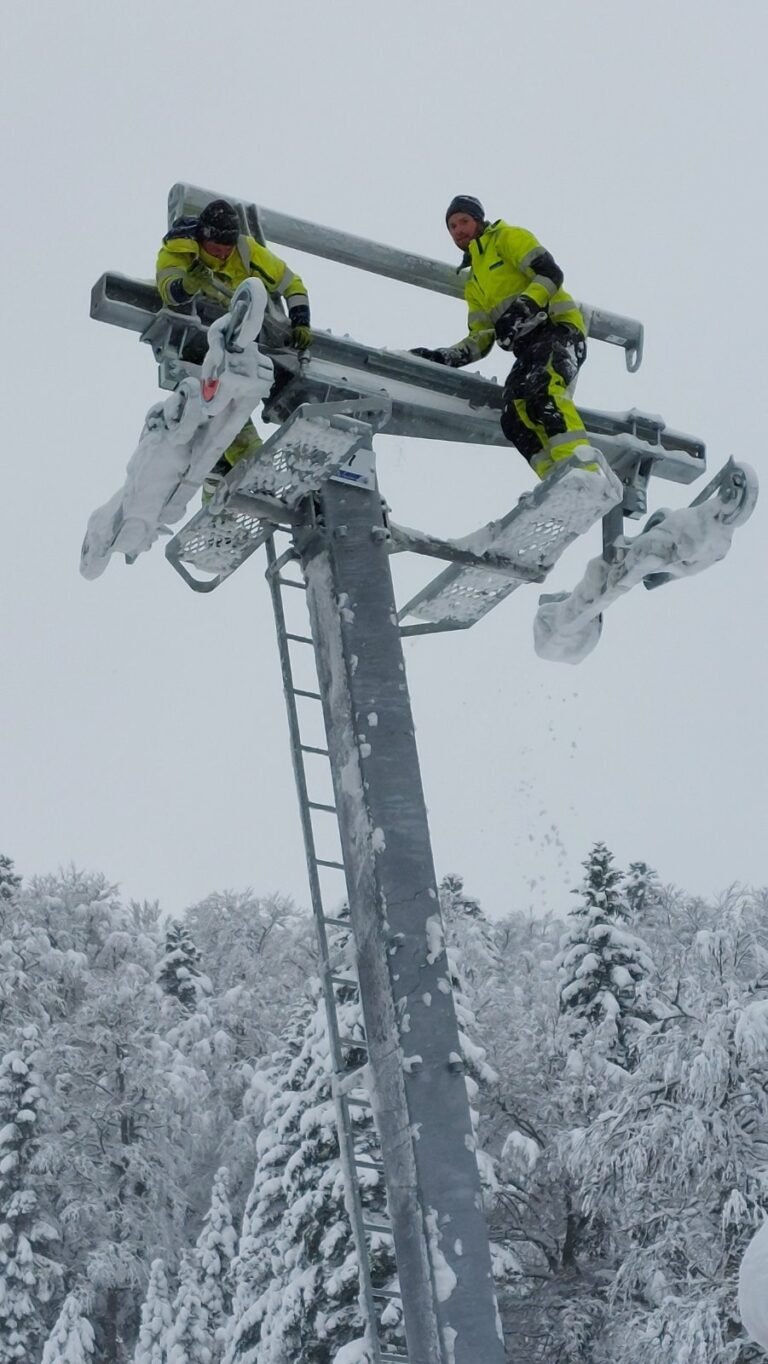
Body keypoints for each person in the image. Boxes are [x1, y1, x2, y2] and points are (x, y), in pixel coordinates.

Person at [412, 195, 595, 481]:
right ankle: (557, 479)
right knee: (514, 416)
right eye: (452, 226)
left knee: (544, 391)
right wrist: (443, 357)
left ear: (479, 220)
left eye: (464, 221)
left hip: (558, 329)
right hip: (527, 349)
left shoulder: (507, 238)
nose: (458, 230)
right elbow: (482, 337)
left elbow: (550, 273)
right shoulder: (474, 283)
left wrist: (521, 309)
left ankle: (583, 472)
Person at [155, 198, 312, 492]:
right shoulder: (177, 250)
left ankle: (234, 479)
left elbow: (291, 282)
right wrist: (189, 283)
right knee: (219, 409)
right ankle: (249, 466)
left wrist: (301, 319)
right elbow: (169, 291)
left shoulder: (245, 250)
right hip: (199, 346)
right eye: (216, 249)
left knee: (231, 408)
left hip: (241, 340)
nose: (224, 255)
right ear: (202, 238)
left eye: (227, 248)